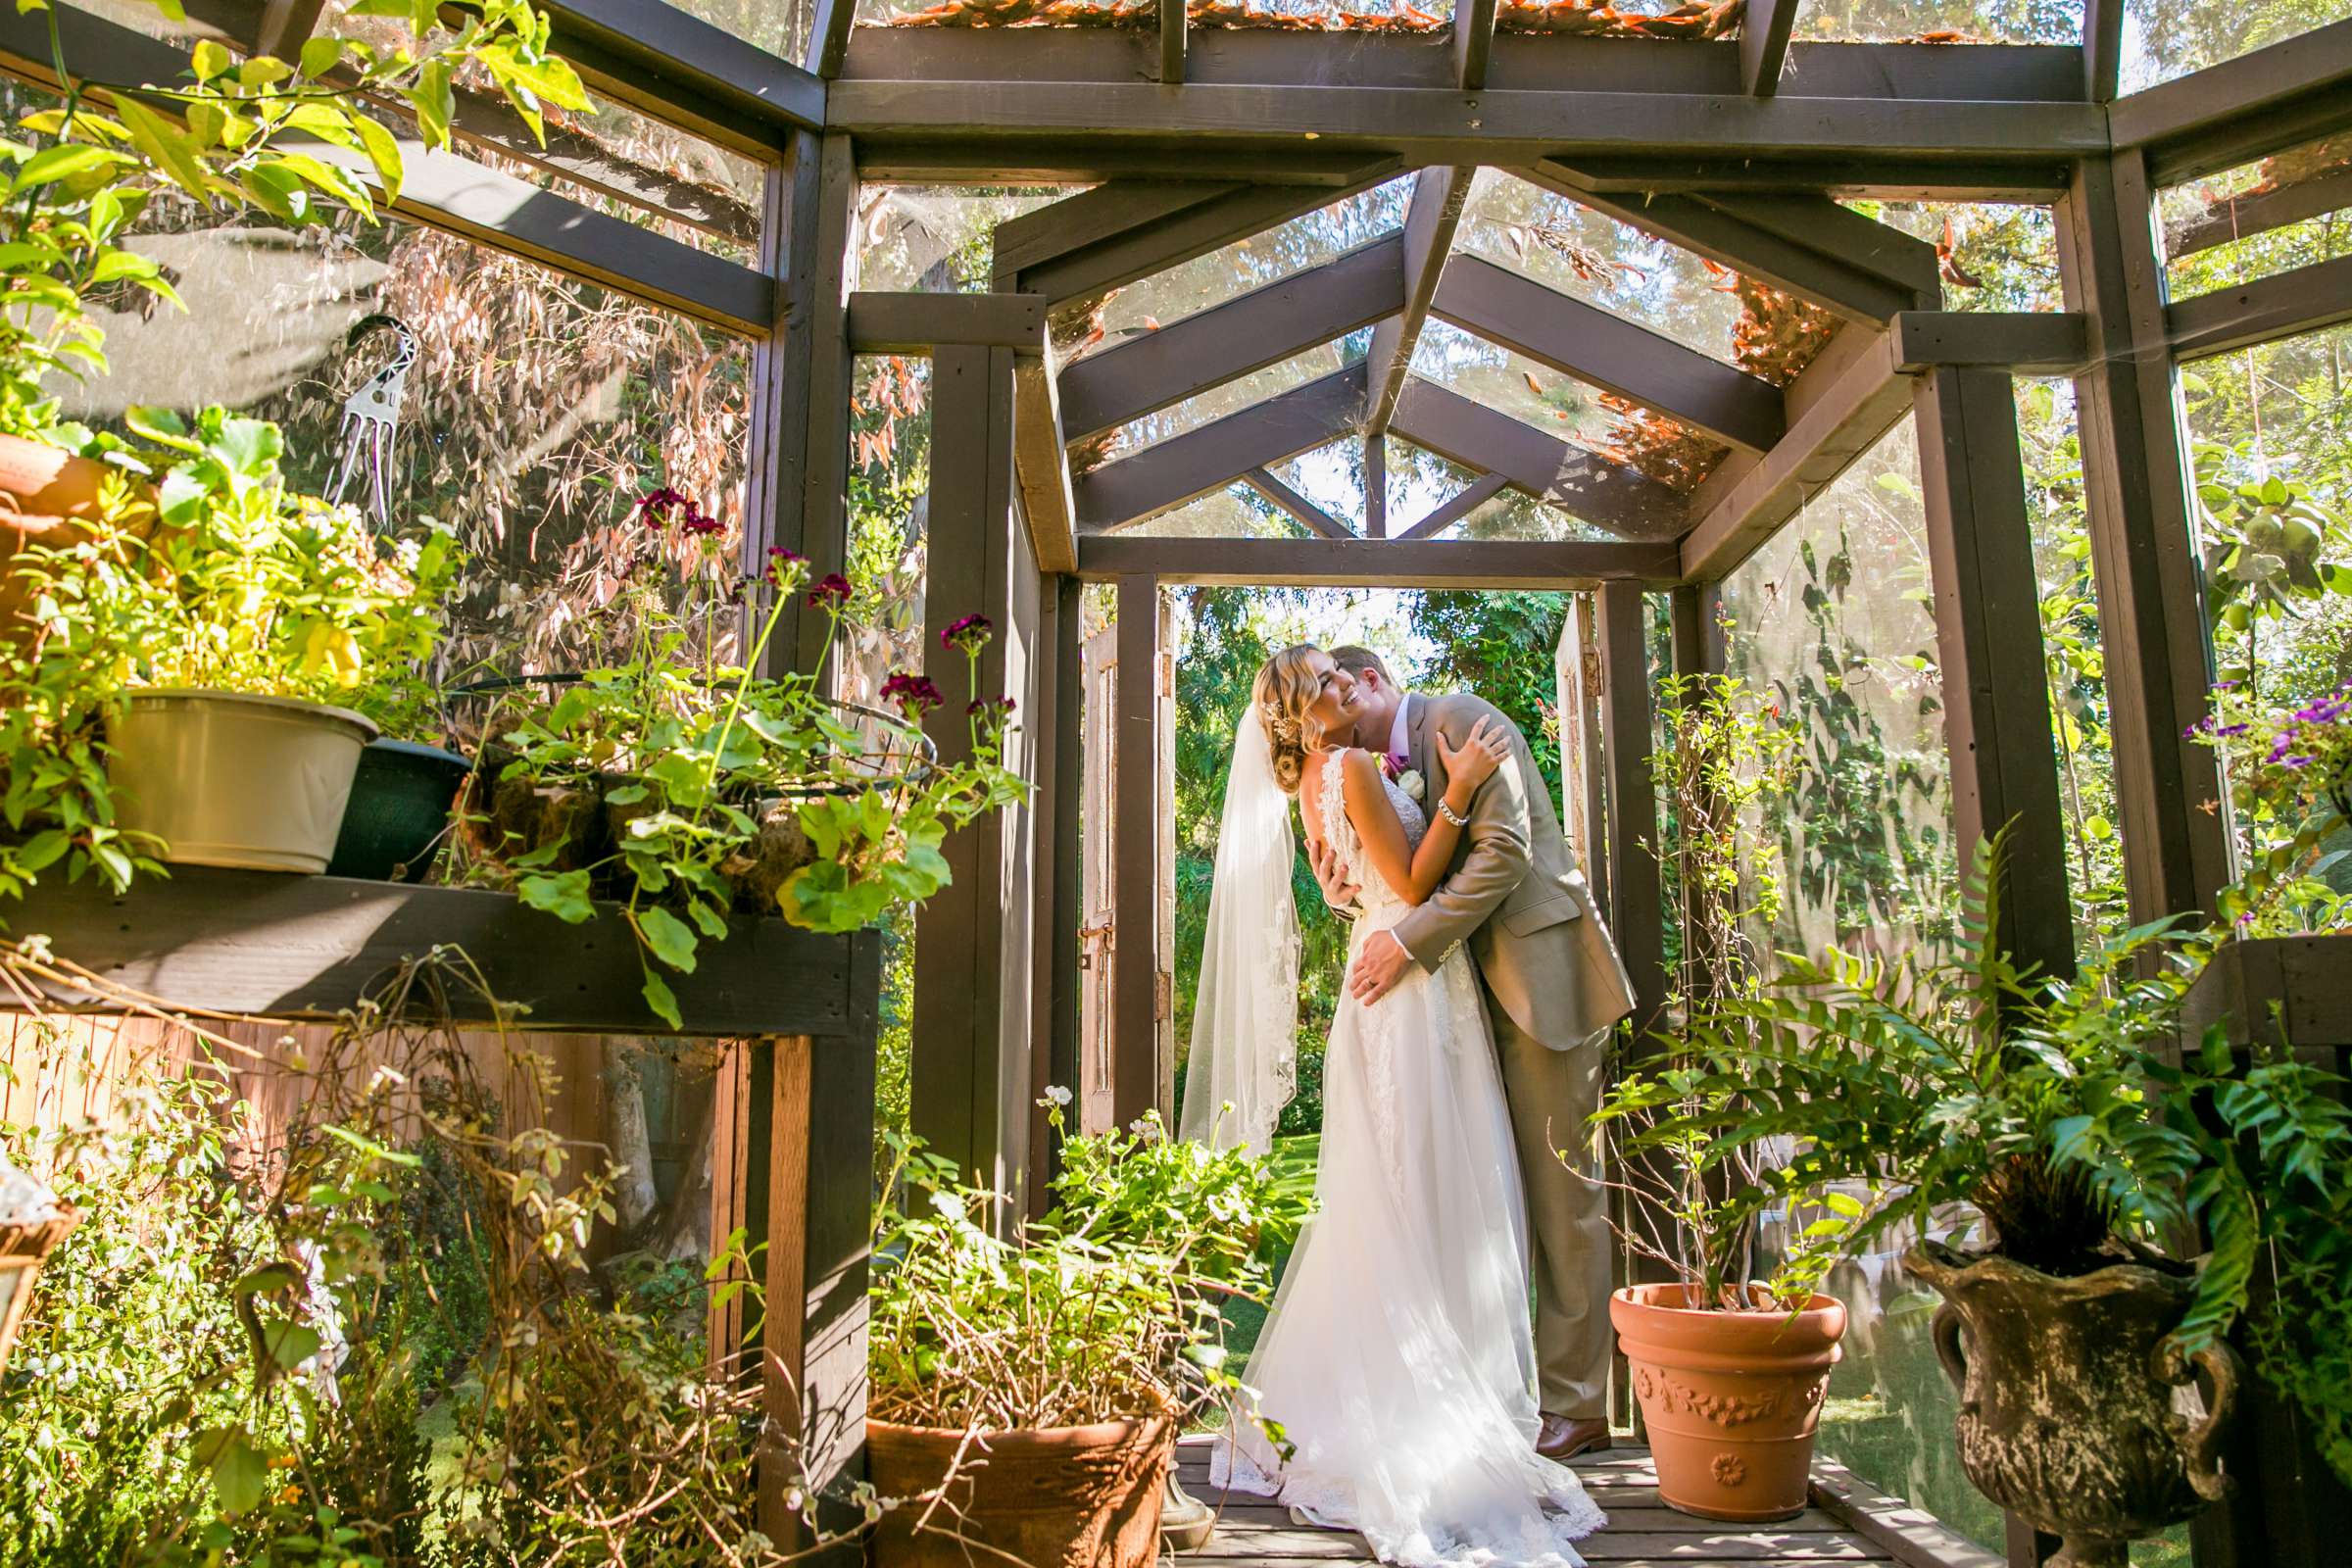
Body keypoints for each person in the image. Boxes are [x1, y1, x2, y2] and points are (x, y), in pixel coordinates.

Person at [1188, 643, 1618, 1568]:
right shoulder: (1350, 766)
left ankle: (1575, 1405)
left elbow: (1503, 853)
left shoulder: (1461, 722)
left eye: (1353, 684)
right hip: (1428, 992)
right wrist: (1392, 876)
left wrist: (1404, 911)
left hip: (1521, 979)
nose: (1350, 699)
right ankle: (1452, 1389)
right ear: (1310, 714)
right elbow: (1399, 871)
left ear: (1379, 684)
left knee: (1550, 1194)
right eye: (1329, 689)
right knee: (1437, 1184)